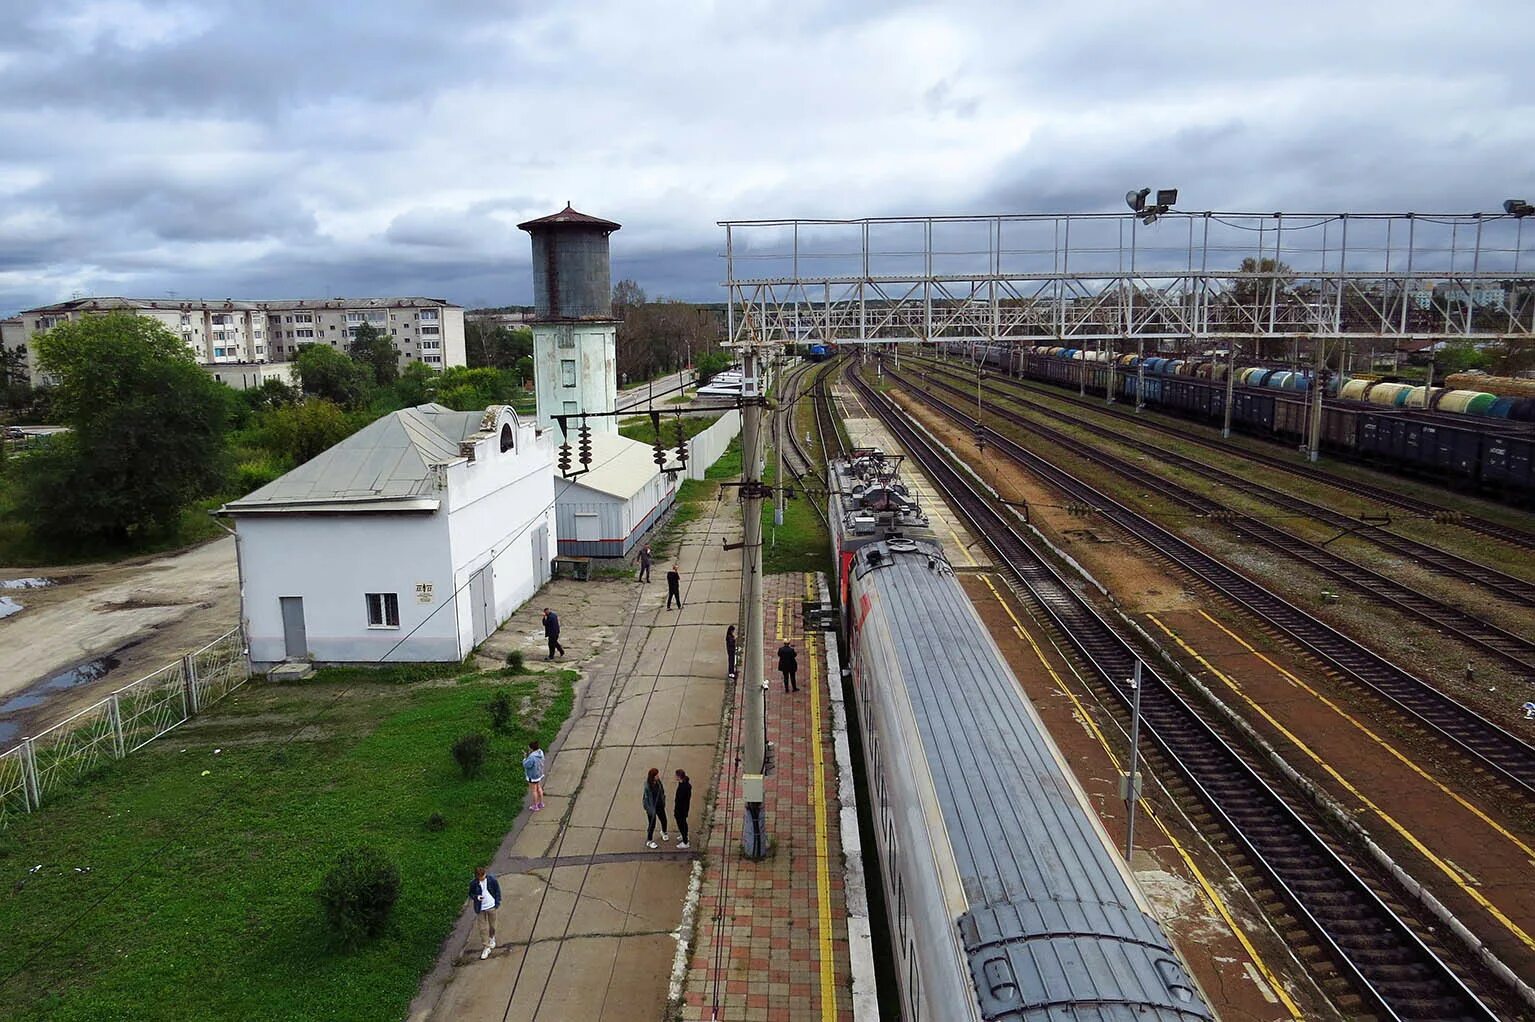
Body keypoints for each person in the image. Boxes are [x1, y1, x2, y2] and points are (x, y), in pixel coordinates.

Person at [468, 865, 501, 960]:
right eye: (480, 876)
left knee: (492, 926)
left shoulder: (492, 880)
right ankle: (486, 947)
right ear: (477, 876)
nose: (482, 878)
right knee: (482, 928)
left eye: (483, 875)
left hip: (491, 906)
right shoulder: (474, 884)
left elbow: (497, 891)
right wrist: (477, 897)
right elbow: (471, 894)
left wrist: (497, 903)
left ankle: (492, 938)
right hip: (480, 908)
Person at [643, 767, 669, 848]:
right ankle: (649, 840)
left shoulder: (658, 782)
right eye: (656, 775)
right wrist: (650, 809)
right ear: (653, 776)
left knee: (664, 820)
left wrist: (663, 799)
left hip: (659, 805)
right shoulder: (647, 786)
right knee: (652, 824)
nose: (658, 776)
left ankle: (664, 832)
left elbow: (662, 791)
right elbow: (646, 799)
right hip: (652, 808)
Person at [523, 740, 546, 812]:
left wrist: (525, 758)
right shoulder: (540, 752)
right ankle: (541, 803)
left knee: (534, 790)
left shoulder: (532, 757)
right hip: (539, 774)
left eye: (529, 748)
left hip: (532, 776)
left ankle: (535, 806)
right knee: (539, 788)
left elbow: (526, 765)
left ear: (532, 748)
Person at [673, 769, 693, 850]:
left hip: (681, 809)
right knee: (683, 823)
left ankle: (685, 842)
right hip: (683, 809)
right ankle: (684, 835)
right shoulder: (685, 784)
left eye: (676, 775)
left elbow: (680, 799)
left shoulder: (683, 787)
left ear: (678, 777)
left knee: (681, 824)